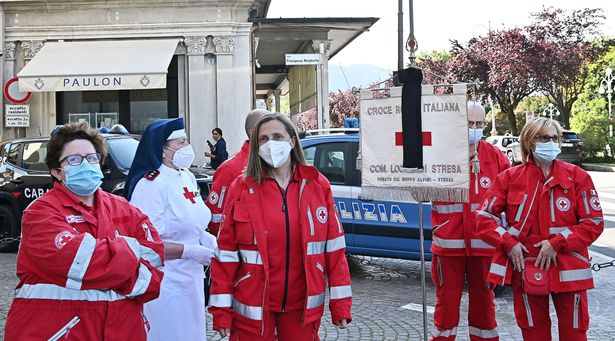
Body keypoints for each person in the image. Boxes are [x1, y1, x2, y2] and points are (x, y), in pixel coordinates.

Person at [4, 122, 164, 340]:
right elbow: (80, 263)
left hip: (124, 331)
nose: (86, 164)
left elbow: (154, 269)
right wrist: (130, 250)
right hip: (59, 332)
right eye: (74, 160)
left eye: (91, 157)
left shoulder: (125, 208)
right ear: (57, 172)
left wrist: (108, 260)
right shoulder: (40, 213)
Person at [209, 113, 352, 340]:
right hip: (252, 308)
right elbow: (225, 254)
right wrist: (221, 311)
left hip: (301, 310)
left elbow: (335, 251)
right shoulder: (241, 187)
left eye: (277, 136)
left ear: (292, 141)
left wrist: (341, 304)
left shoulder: (317, 185)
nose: (270, 144)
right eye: (263, 139)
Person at [477, 117, 604, 340]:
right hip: (526, 268)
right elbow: (484, 218)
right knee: (533, 332)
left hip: (568, 267)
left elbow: (593, 223)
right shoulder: (509, 178)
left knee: (575, 333)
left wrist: (557, 243)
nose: (551, 143)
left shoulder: (577, 177)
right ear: (529, 141)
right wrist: (508, 242)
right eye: (544, 138)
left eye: (555, 138)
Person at [124, 118, 217, 341]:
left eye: (186, 140)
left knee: (192, 332)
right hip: (166, 281)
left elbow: (191, 218)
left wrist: (204, 236)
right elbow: (145, 244)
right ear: (163, 149)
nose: (186, 147)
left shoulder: (186, 175)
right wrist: (190, 251)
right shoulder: (150, 185)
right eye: (179, 142)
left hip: (191, 277)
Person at [430, 101, 510, 341]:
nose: (474, 128)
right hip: (448, 245)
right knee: (446, 307)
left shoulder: (496, 158)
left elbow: (512, 200)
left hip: (485, 246)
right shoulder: (439, 155)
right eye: (469, 123)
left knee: (485, 307)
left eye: (479, 123)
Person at [206, 109, 269, 236]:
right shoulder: (230, 168)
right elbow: (215, 219)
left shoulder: (275, 164)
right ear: (253, 133)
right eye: (269, 127)